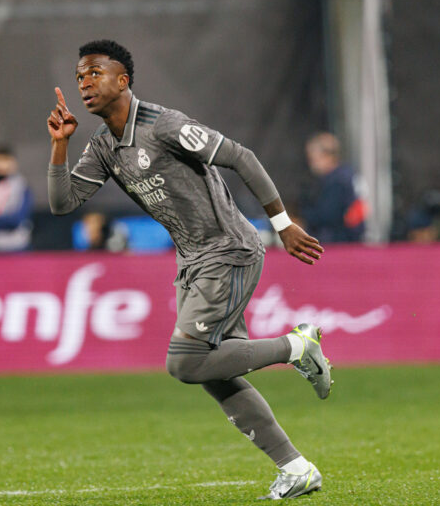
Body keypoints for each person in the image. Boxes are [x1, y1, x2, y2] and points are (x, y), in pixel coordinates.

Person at [46, 40, 330, 500]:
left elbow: (242, 157)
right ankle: (296, 468)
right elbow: (63, 204)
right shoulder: (102, 147)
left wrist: (281, 224)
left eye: (94, 73)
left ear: (123, 80)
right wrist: (60, 146)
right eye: (79, 76)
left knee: (183, 362)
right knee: (213, 372)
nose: (84, 83)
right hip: (192, 263)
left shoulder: (165, 125)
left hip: (228, 250)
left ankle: (297, 345)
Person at [301, 132, 365, 243]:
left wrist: (304, 219)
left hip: (338, 241)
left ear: (328, 156)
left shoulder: (338, 181)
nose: (311, 164)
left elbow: (328, 215)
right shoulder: (346, 175)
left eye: (314, 159)